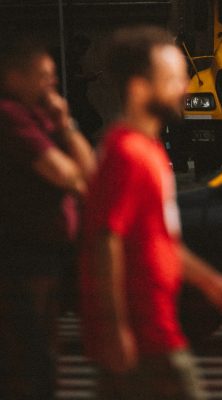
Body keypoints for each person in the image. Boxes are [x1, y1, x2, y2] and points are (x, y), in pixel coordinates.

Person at [79, 26, 222, 399]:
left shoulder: (150, 151)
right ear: (141, 88)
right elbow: (105, 240)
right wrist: (115, 329)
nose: (186, 88)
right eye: (173, 79)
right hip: (145, 336)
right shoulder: (127, 153)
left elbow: (161, 239)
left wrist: (212, 283)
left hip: (153, 327)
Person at [0, 34, 95, 399]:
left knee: (44, 350)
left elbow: (87, 174)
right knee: (30, 354)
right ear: (13, 77)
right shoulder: (10, 117)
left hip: (48, 252)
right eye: (43, 76)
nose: (51, 84)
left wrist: (66, 123)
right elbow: (67, 175)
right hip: (22, 253)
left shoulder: (41, 115)